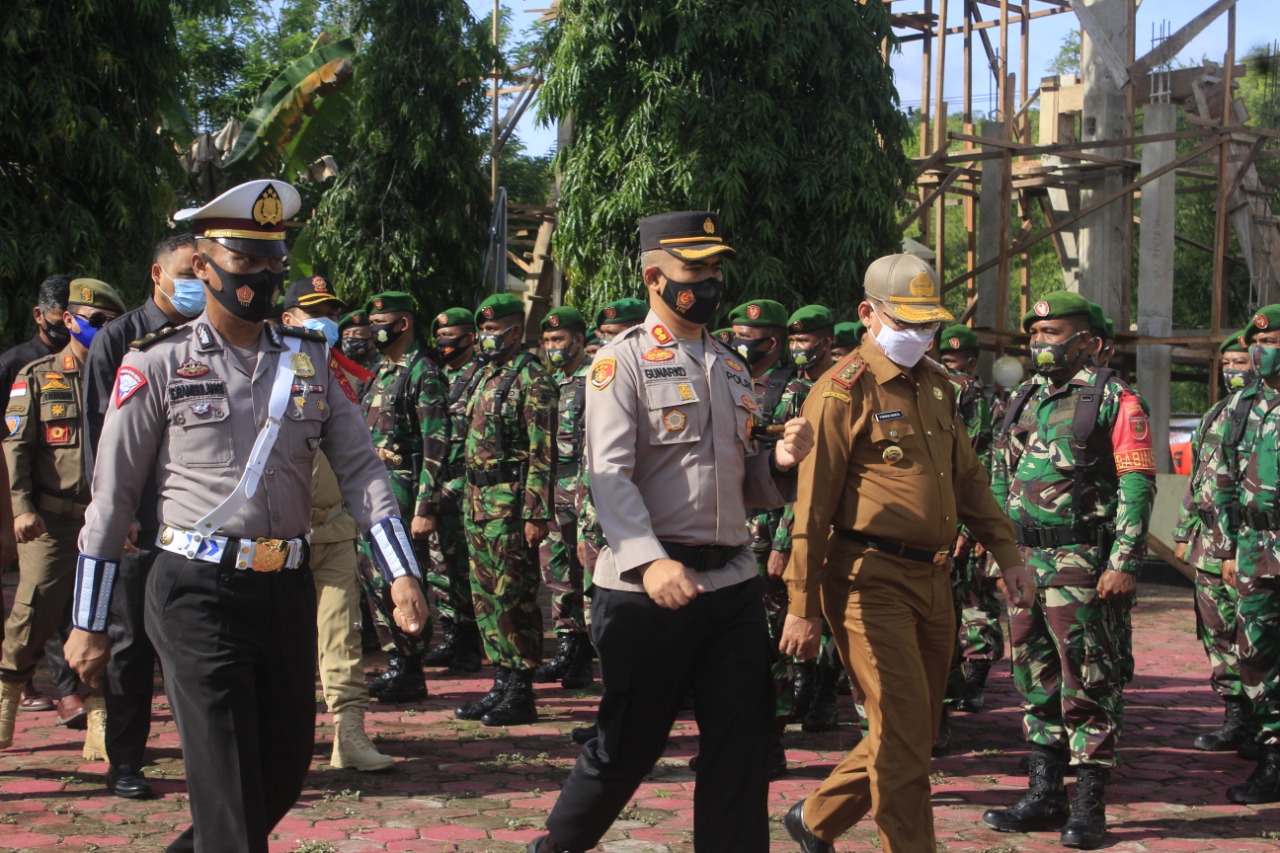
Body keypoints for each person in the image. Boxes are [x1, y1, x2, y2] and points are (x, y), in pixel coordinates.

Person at [60, 179, 429, 853]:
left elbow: (362, 469)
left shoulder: (308, 362)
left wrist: (399, 570)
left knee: (280, 774)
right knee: (229, 782)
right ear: (202, 265)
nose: (260, 276)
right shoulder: (157, 362)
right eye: (243, 260)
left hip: (285, 584)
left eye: (271, 260)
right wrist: (87, 621)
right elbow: (109, 499)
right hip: (194, 591)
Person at [530, 211, 815, 853]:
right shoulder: (619, 362)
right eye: (696, 269)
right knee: (627, 746)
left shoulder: (731, 367)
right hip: (646, 589)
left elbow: (742, 483)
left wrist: (782, 466)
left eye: (716, 268)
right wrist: (648, 561)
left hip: (731, 584)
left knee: (742, 746)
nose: (710, 281)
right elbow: (608, 475)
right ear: (655, 275)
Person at [778, 253, 1032, 853]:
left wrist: (1008, 552)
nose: (920, 336)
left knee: (913, 729)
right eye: (907, 322)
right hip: (869, 579)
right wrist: (802, 604)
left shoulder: (939, 387)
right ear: (868, 314)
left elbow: (968, 480)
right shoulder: (840, 392)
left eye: (929, 325)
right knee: (900, 739)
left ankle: (815, 818)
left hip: (934, 581)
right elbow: (811, 509)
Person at [983, 291, 1155, 849]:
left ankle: (1089, 805)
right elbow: (999, 475)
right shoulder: (1023, 398)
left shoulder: (1116, 399)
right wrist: (997, 546)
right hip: (1025, 562)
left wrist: (1124, 560)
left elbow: (1136, 483)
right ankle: (1044, 793)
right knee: (1033, 676)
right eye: (1035, 334)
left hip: (1082, 561)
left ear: (1091, 341)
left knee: (1088, 679)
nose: (1041, 344)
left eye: (1054, 333)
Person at [81, 234, 201, 799]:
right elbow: (98, 436)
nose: (198, 280)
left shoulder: (214, 335)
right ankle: (125, 760)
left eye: (205, 269)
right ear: (158, 273)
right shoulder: (119, 339)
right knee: (130, 646)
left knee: (193, 641)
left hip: (197, 519)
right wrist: (117, 509)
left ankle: (208, 757)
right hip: (139, 520)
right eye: (187, 270)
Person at [0, 279, 127, 758]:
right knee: (35, 612)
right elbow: (17, 448)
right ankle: (7, 697)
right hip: (51, 521)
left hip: (111, 521)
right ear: (69, 321)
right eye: (96, 322)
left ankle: (99, 720)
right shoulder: (38, 376)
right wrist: (21, 508)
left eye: (111, 323)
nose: (103, 330)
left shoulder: (128, 373)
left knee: (107, 617)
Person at [278, 275, 394, 772]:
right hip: (281, 534)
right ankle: (282, 736)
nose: (327, 322)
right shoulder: (268, 373)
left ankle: (349, 735)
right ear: (287, 321)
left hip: (336, 526)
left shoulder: (340, 376)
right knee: (283, 640)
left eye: (330, 312)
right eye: (313, 313)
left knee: (341, 634)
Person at [454, 293, 556, 728]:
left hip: (512, 506)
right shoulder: (486, 375)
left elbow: (542, 452)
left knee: (513, 597)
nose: (486, 338)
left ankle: (521, 691)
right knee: (486, 599)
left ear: (516, 331)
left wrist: (535, 513)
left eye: (495, 331)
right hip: (478, 504)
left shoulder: (533, 379)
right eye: (484, 331)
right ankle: (501, 681)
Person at [727, 297, 809, 772]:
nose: (739, 342)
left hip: (769, 536)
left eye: (748, 335)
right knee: (733, 644)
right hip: (731, 530)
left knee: (770, 642)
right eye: (735, 332)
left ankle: (770, 741)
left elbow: (803, 478)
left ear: (771, 342)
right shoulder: (732, 382)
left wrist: (785, 543)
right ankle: (738, 736)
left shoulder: (797, 390)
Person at [359, 290, 448, 703]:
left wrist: (425, 507)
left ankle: (412, 666)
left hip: (405, 493)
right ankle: (395, 658)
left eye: (383, 322)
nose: (376, 330)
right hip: (372, 493)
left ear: (404, 323)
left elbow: (436, 443)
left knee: (405, 579)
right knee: (376, 579)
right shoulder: (381, 371)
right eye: (373, 322)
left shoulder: (422, 371)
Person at [1211, 304, 1280, 804]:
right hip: (1256, 548)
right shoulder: (1244, 407)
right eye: (1259, 343)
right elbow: (1226, 479)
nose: (1261, 351)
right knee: (1254, 652)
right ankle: (1273, 756)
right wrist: (1230, 546)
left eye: (1273, 342)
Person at [1173, 330, 1253, 753]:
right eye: (1227, 365)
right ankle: (1235, 713)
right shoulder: (1216, 413)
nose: (1232, 371)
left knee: (1254, 635)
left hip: (1249, 546)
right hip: (1208, 544)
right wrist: (1184, 532)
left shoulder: (1265, 415)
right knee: (1216, 630)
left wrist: (1235, 546)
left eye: (1241, 363)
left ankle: (1263, 722)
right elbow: (1199, 478)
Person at [0, 274, 73, 716]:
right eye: (55, 315)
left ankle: (69, 692)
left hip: (73, 504)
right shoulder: (17, 365)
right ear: (39, 315)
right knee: (33, 601)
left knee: (73, 603)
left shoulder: (92, 364)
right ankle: (17, 682)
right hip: (21, 496)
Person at [779, 305, 842, 735]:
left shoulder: (839, 387)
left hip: (831, 516)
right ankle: (802, 688)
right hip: (792, 513)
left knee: (827, 609)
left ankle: (825, 693)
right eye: (794, 342)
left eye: (806, 341)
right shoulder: (787, 389)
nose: (799, 349)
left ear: (826, 342)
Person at [936, 324, 1002, 738]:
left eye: (956, 363)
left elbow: (983, 468)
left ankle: (974, 677)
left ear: (973, 364)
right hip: (936, 522)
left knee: (974, 600)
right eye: (944, 362)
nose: (950, 370)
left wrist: (973, 530)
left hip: (967, 521)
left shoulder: (980, 402)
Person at [421, 307, 484, 673]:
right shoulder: (440, 376)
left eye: (453, 335)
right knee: (440, 566)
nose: (446, 342)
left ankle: (469, 644)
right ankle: (450, 634)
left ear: (471, 338)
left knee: (464, 570)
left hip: (465, 486)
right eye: (441, 336)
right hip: (439, 485)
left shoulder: (480, 376)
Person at [534, 306, 593, 689]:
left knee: (590, 573)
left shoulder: (596, 380)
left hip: (586, 488)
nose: (553, 347)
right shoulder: (549, 383)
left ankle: (592, 650)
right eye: (548, 341)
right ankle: (569, 647)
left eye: (560, 339)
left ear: (579, 342)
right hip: (554, 487)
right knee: (557, 572)